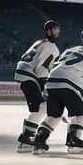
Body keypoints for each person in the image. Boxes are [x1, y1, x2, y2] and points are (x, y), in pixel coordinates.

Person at [33, 27, 83, 155]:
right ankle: (74, 141)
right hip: (68, 84)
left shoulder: (69, 51)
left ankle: (39, 141)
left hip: (51, 82)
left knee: (54, 116)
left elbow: (55, 66)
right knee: (80, 114)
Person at [14, 20, 61, 152]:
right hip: (30, 76)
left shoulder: (40, 42)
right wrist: (46, 87)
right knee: (42, 107)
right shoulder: (51, 47)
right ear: (49, 31)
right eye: (56, 29)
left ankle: (26, 138)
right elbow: (41, 69)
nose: (58, 31)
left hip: (23, 73)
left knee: (40, 107)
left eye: (58, 29)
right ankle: (26, 138)